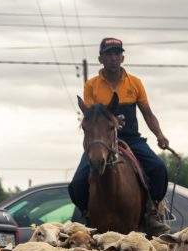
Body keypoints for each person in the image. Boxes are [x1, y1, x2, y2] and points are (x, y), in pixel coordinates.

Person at [68, 37, 171, 235]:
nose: (113, 58)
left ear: (122, 57)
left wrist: (160, 135)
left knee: (158, 168)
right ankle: (86, 214)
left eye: (117, 53)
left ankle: (152, 214)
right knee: (77, 184)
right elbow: (91, 116)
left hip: (131, 138)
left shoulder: (135, 83)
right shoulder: (92, 85)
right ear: (101, 58)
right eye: (108, 54)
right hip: (102, 139)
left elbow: (147, 113)